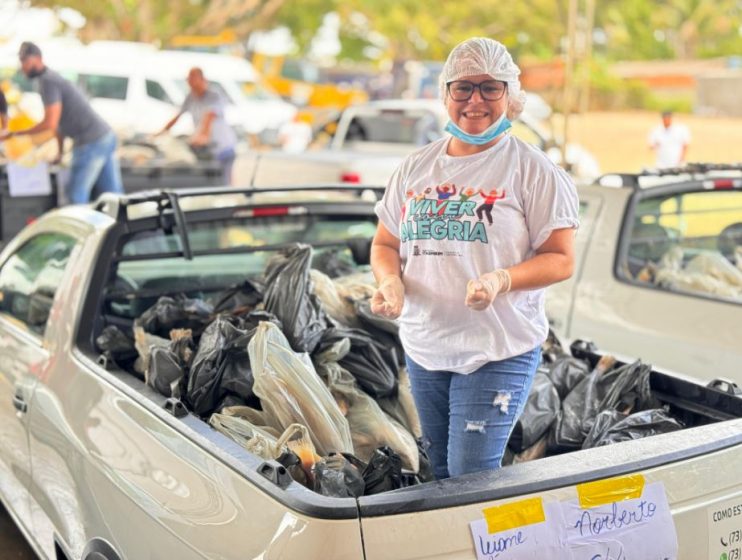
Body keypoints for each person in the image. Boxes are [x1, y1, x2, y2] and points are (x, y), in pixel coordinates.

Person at [370, 37, 579, 480]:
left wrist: (502, 279)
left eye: (490, 87)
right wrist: (391, 282)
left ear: (511, 94)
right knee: (441, 471)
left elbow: (560, 258)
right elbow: (385, 244)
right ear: (445, 94)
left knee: (469, 476)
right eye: (463, 88)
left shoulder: (531, 169)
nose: (475, 101)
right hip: (426, 346)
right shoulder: (415, 168)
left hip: (497, 349)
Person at [0, 42, 123, 203]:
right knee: (113, 196)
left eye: (25, 61)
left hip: (90, 142)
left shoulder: (47, 82)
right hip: (104, 136)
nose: (22, 66)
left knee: (75, 196)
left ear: (37, 59)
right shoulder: (49, 79)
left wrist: (15, 133)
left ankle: (80, 228)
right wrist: (59, 153)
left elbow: (50, 124)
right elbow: (59, 124)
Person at [158, 67, 237, 185]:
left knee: (223, 183)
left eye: (192, 79)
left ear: (202, 79)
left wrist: (202, 136)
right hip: (208, 149)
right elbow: (178, 116)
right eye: (188, 80)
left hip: (222, 147)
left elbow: (209, 117)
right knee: (209, 182)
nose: (190, 83)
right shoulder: (190, 97)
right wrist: (161, 132)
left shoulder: (214, 96)